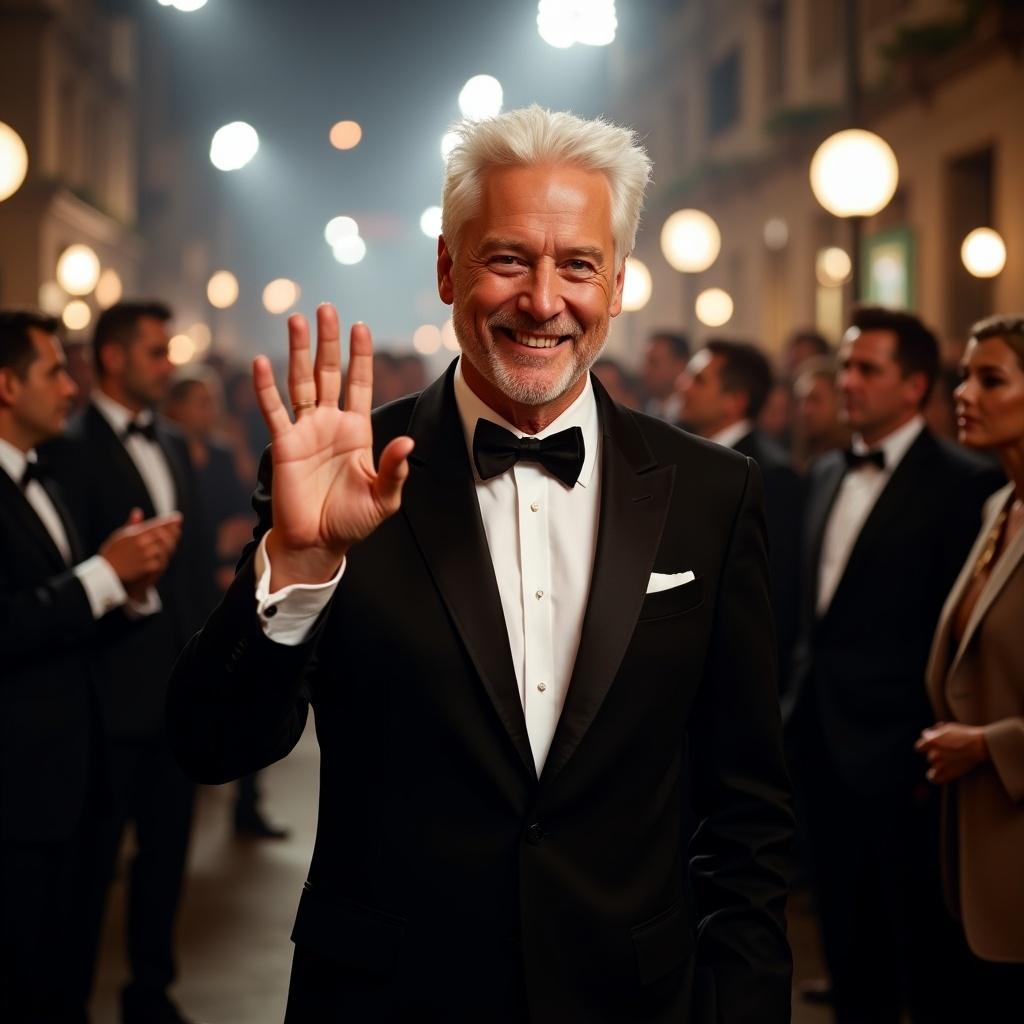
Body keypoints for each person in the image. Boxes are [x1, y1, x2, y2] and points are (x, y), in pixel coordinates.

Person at [167, 106, 794, 1022]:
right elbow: (211, 746)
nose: (543, 301)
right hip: (387, 999)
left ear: (616, 285)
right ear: (447, 269)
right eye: (508, 259)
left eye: (577, 264)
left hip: (634, 999)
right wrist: (301, 561)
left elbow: (748, 809)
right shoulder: (341, 475)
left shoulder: (712, 491)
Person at [785, 306, 1003, 1023]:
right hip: (819, 742)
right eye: (844, 366)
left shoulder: (965, 483)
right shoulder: (822, 474)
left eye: (866, 369)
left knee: (927, 963)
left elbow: (957, 639)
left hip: (905, 758)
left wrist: (920, 747)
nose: (847, 381)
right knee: (847, 954)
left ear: (913, 388)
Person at [0, 312, 181, 1022]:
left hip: (71, 767)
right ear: (7, 386)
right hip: (18, 781)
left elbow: (74, 598)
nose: (70, 388)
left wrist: (127, 588)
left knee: (65, 967)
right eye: (53, 372)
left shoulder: (35, 477)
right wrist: (106, 575)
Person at [42, 301, 205, 1024]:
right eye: (155, 352)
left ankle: (151, 990)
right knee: (88, 871)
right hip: (107, 696)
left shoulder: (171, 442)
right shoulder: (68, 449)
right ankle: (71, 1001)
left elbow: (192, 568)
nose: (168, 365)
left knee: (167, 858)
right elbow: (70, 571)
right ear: (112, 357)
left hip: (175, 692)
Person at [917, 314, 1024, 1006]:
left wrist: (989, 744)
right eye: (962, 377)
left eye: (991, 379)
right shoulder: (998, 508)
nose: (964, 393)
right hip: (977, 836)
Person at [164, 371, 289, 840]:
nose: (208, 410)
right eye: (198, 401)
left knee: (247, 679)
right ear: (174, 407)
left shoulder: (219, 453)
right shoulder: (167, 450)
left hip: (225, 577)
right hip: (189, 581)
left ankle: (247, 801)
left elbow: (244, 505)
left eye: (211, 401)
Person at [677, 339, 801, 687]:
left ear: (735, 401)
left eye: (698, 380)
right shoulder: (683, 456)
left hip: (734, 672)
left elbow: (775, 590)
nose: (682, 386)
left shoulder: (772, 474)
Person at [792, 357, 848, 471]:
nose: (805, 410)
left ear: (839, 400)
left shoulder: (852, 458)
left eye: (815, 400)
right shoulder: (795, 457)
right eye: (800, 401)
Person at [642, 329, 689, 422]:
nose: (646, 370)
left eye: (654, 363)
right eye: (646, 362)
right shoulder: (644, 410)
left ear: (679, 366)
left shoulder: (691, 417)